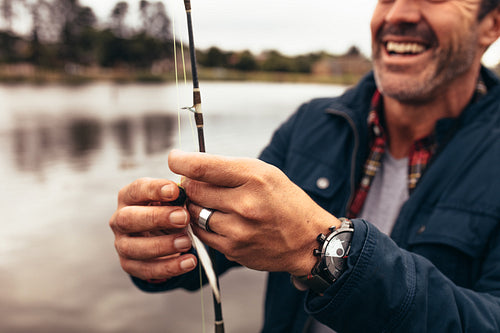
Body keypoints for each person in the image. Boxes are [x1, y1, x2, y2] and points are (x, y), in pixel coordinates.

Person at [109, 0, 500, 332]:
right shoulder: (310, 124)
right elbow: (207, 256)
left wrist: (327, 250)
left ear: (492, 24)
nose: (398, 14)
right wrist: (157, 246)